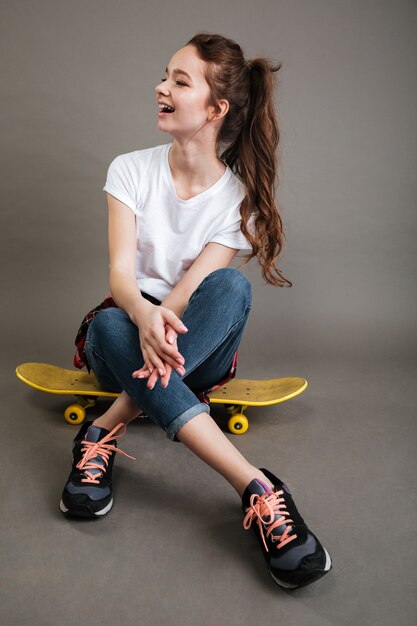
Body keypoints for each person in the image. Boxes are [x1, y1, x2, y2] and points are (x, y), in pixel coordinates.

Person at [60, 32, 332, 589]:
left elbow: (187, 295)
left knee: (232, 289)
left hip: (193, 342)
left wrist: (160, 324)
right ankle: (255, 487)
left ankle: (104, 429)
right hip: (126, 334)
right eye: (165, 76)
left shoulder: (238, 200)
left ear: (216, 108)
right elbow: (120, 277)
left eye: (179, 82)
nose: (160, 87)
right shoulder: (130, 170)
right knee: (111, 321)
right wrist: (142, 316)